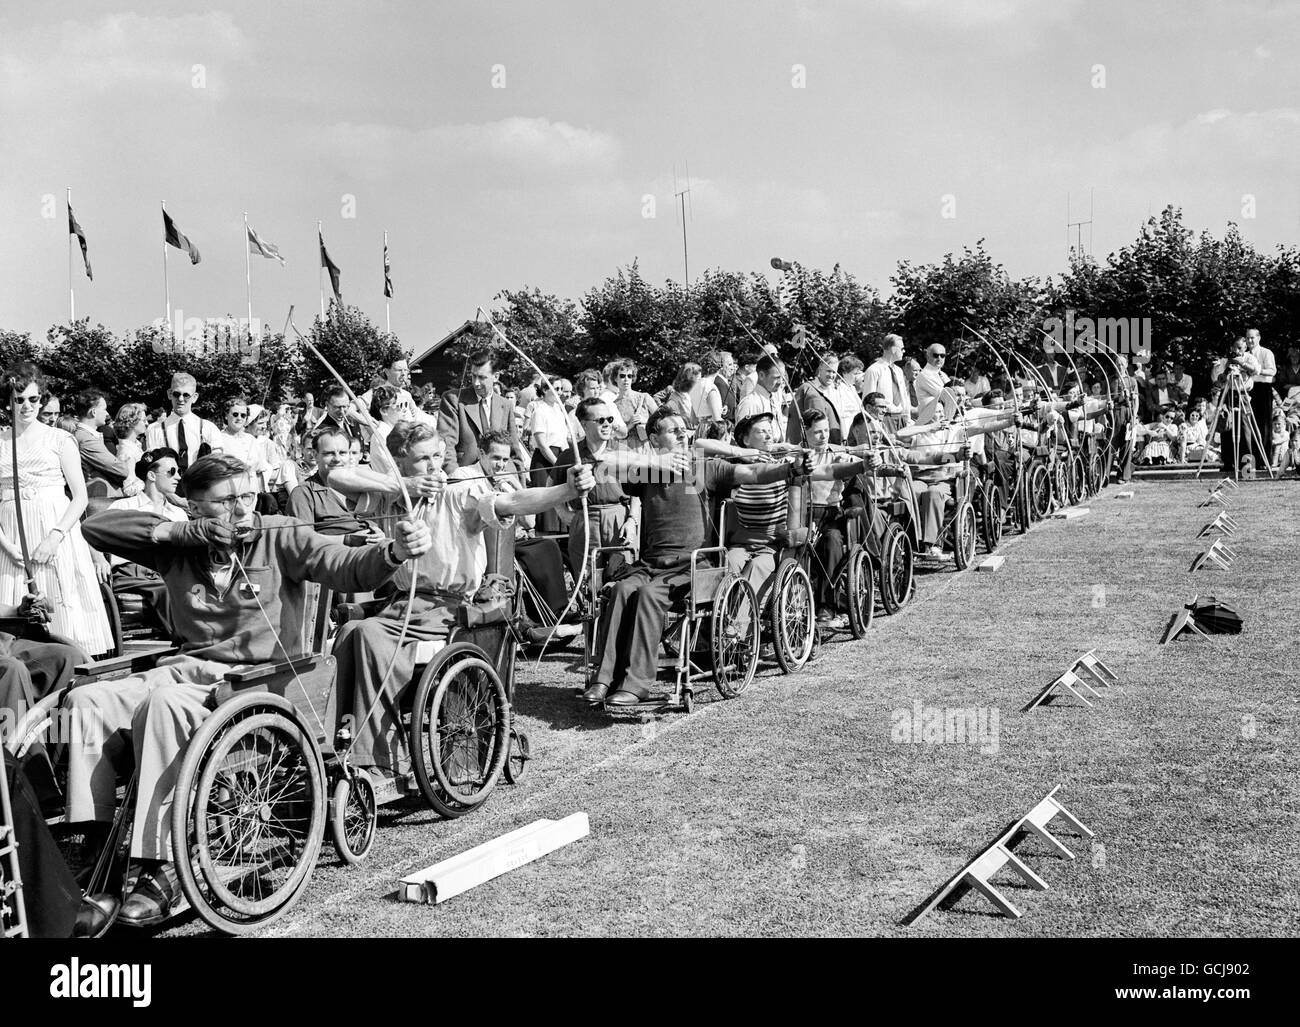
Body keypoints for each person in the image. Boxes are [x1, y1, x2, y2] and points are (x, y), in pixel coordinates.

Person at [68, 453, 431, 925]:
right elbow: (96, 526)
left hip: (261, 681)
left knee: (164, 703)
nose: (242, 509)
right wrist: (177, 531)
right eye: (226, 501)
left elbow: (346, 566)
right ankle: (95, 847)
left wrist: (394, 553)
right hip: (190, 668)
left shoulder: (280, 532)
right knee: (86, 701)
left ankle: (161, 864)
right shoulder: (180, 542)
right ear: (194, 508)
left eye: (248, 495)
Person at [326, 422, 593, 779]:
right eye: (423, 460)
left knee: (368, 635)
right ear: (401, 462)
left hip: (449, 608)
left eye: (438, 456)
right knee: (348, 633)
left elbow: (512, 501)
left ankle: (380, 758)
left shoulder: (457, 493)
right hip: (403, 605)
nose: (434, 466)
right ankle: (344, 743)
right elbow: (336, 476)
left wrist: (566, 489)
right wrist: (402, 485)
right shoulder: (392, 495)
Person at [582, 408, 811, 706]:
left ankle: (636, 685)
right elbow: (602, 463)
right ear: (654, 438)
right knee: (623, 590)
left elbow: (752, 472)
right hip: (650, 564)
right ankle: (603, 679)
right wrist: (654, 460)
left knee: (649, 595)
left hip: (693, 566)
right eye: (672, 429)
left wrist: (789, 469)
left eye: (684, 428)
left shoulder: (704, 468)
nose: (682, 434)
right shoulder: (647, 470)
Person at [1, 363, 113, 658]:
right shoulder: (0, 442)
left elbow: (80, 497)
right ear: (8, 401)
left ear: (42, 399)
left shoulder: (59, 439)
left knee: (63, 605)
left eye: (33, 399)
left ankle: (73, 668)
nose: (27, 406)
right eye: (19, 399)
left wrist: (55, 536)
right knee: (17, 607)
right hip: (11, 535)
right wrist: (7, 545)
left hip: (55, 530)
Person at [100, 448, 189, 635]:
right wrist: (97, 558)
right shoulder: (124, 507)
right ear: (152, 475)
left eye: (179, 471)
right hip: (130, 573)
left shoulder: (178, 514)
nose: (178, 477)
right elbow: (91, 534)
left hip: (166, 571)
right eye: (171, 472)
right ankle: (188, 643)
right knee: (167, 590)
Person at [568, 398, 639, 580]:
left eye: (610, 419)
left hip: (619, 519)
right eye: (601, 420)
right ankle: (589, 608)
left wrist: (632, 521)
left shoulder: (623, 452)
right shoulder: (571, 455)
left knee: (622, 575)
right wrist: (566, 516)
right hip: (585, 519)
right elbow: (551, 487)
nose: (607, 424)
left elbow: (638, 493)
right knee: (587, 577)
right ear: (584, 424)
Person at [439, 349, 530, 473]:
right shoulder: (453, 400)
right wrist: (456, 478)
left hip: (499, 480)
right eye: (473, 376)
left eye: (482, 377)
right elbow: (446, 445)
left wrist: (518, 483)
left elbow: (514, 451)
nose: (476, 383)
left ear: (496, 376)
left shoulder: (505, 405)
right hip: (465, 477)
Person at [286, 428, 382, 538]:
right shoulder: (304, 493)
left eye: (342, 453)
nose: (337, 459)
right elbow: (302, 541)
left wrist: (378, 533)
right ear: (315, 455)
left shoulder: (361, 488)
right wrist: (347, 540)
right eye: (329, 453)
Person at [143, 372, 222, 471]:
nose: (180, 399)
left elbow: (217, 465)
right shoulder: (155, 430)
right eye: (176, 394)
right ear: (169, 394)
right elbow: (154, 467)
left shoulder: (209, 428)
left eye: (186, 395)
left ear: (194, 397)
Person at [71, 390, 141, 502]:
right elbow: (120, 469)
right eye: (104, 409)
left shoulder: (87, 436)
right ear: (93, 412)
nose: (107, 413)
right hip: (101, 500)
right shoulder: (86, 439)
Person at [528, 380, 573, 532]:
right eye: (556, 388)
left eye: (561, 389)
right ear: (546, 389)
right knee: (546, 505)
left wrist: (566, 461)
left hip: (560, 455)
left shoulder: (559, 411)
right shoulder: (539, 411)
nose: (560, 392)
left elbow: (564, 439)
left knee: (561, 499)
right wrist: (557, 463)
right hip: (544, 459)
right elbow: (541, 444)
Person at [861, 334, 914, 432]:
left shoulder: (898, 371)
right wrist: (872, 425)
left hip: (901, 419)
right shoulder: (874, 370)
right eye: (902, 349)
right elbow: (867, 400)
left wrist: (907, 419)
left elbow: (904, 397)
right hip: (883, 419)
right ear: (893, 349)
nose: (904, 351)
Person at [734, 354, 789, 440]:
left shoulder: (773, 398)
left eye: (782, 377)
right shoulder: (750, 403)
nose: (780, 382)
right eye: (776, 378)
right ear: (761, 375)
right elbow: (742, 439)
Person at [607, 359, 657, 450]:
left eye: (629, 376)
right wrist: (629, 426)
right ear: (615, 378)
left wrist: (645, 420)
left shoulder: (644, 397)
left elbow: (662, 420)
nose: (626, 379)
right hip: (622, 449)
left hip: (644, 447)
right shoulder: (612, 405)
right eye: (622, 376)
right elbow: (611, 433)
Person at [1245, 328, 1277, 469]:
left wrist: (1257, 369)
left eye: (1252, 338)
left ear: (1259, 338)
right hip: (1247, 389)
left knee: (1264, 425)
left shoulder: (1266, 352)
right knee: (1248, 424)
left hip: (1263, 388)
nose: (1250, 341)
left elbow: (1272, 371)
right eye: (1247, 338)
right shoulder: (1244, 354)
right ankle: (1250, 460)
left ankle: (1264, 460)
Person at [913, 344, 952, 425]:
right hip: (929, 422)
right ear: (927, 357)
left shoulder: (942, 374)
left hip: (943, 420)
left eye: (942, 356)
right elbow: (945, 396)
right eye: (935, 355)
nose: (939, 359)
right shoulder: (925, 375)